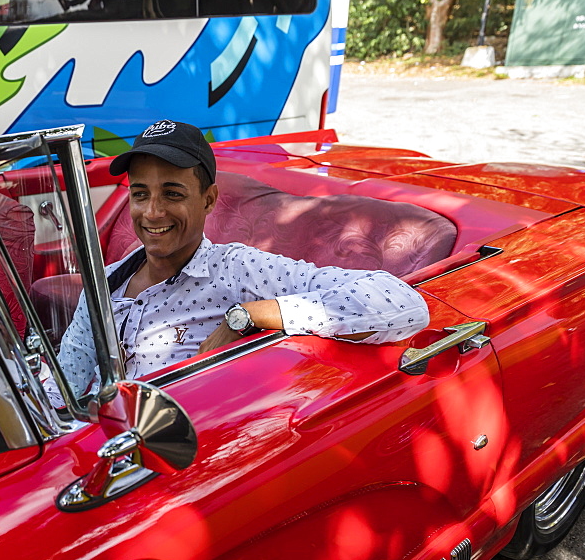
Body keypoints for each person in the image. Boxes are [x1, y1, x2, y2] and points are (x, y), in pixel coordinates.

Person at [54, 119, 431, 399]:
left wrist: (249, 316)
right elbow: (63, 390)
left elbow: (402, 303)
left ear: (208, 200)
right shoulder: (105, 282)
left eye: (172, 194)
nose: (152, 212)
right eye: (140, 194)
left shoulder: (237, 270)